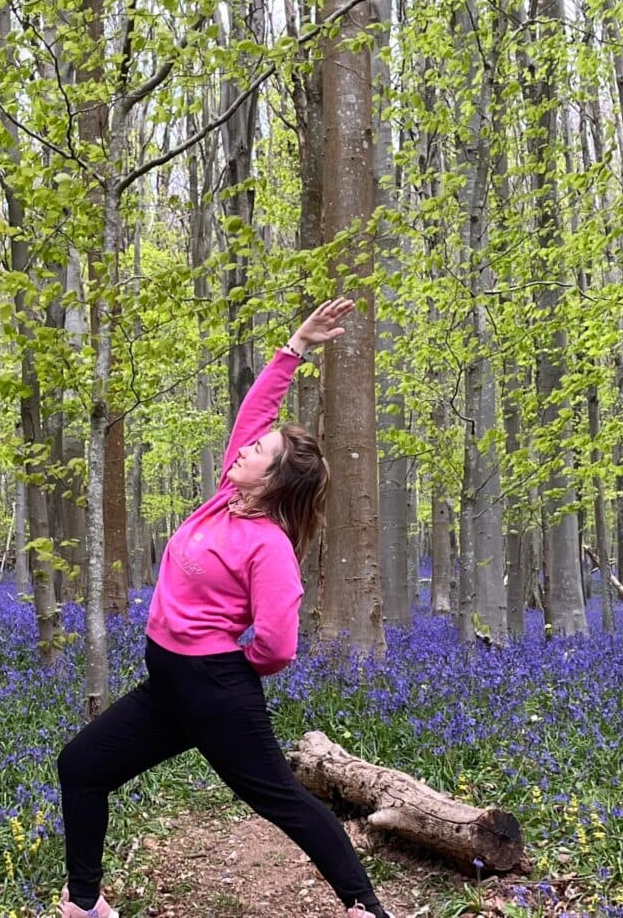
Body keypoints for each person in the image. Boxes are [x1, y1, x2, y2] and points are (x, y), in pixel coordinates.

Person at [57, 299, 393, 918]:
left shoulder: (268, 547)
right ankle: (84, 904)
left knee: (281, 800)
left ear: (271, 480)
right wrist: (296, 346)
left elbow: (279, 643)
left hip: (213, 689)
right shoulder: (224, 498)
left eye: (256, 452)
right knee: (81, 767)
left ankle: (364, 906)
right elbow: (256, 410)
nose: (241, 451)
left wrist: (228, 669)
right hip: (170, 683)